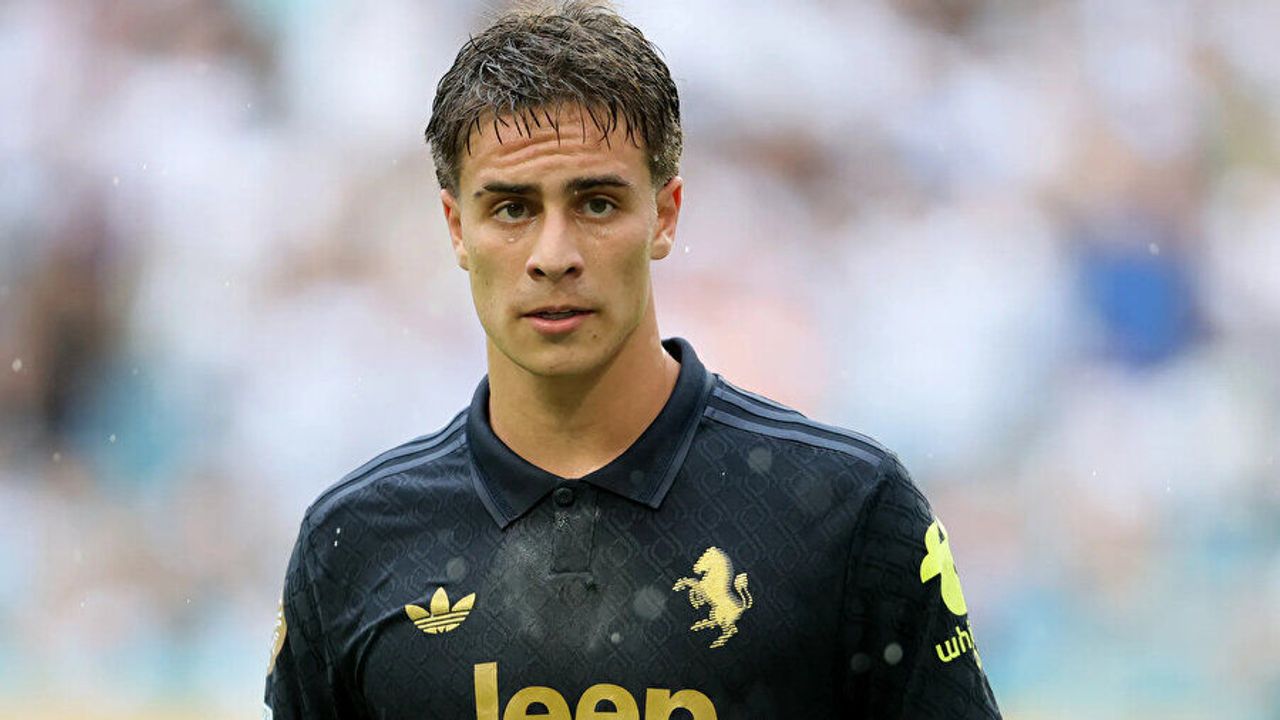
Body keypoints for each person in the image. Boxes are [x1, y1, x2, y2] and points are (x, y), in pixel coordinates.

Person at [264, 2, 1002, 718]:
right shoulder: (354, 541)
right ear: (457, 227)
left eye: (596, 203)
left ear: (665, 214)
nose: (554, 255)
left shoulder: (848, 510)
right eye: (513, 209)